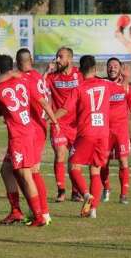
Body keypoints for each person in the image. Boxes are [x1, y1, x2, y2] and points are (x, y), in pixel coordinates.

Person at [0, 54, 59, 227]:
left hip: (19, 135)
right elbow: (41, 99)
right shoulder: (24, 80)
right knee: (6, 170)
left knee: (27, 175)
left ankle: (39, 215)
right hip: (27, 130)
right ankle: (16, 212)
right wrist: (55, 122)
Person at [55, 55, 117, 218]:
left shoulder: (79, 88)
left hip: (86, 133)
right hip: (103, 134)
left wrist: (49, 118)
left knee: (73, 166)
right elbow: (122, 89)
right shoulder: (106, 85)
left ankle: (86, 194)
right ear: (96, 69)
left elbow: (65, 109)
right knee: (95, 170)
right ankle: (93, 210)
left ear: (80, 71)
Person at [44, 47, 84, 202]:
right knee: (60, 155)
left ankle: (76, 191)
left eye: (60, 57)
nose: (57, 60)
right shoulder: (53, 77)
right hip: (58, 123)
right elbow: (38, 87)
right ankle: (61, 190)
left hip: (77, 124)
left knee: (75, 159)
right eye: (56, 56)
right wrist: (46, 71)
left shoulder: (79, 75)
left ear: (70, 59)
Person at [100, 57, 131, 204]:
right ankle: (106, 188)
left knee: (123, 161)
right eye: (110, 66)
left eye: (115, 66)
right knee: (103, 162)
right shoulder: (102, 84)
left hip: (121, 131)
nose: (112, 68)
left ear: (120, 68)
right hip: (104, 131)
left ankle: (124, 194)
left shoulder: (127, 88)